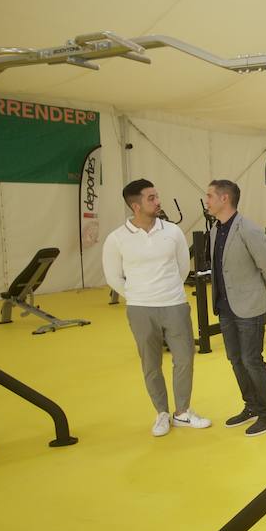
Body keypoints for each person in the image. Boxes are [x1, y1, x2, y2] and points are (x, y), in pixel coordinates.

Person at [102, 179, 209, 437]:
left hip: (174, 304)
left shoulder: (172, 232)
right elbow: (113, 277)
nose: (158, 201)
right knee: (151, 363)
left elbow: (183, 266)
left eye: (157, 196)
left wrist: (168, 290)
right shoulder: (116, 239)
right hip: (140, 309)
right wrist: (137, 295)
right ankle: (162, 412)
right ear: (135, 205)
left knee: (184, 358)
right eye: (152, 198)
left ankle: (182, 412)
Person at [206, 180, 266, 437]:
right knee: (236, 359)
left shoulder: (248, 229)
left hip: (249, 307)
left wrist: (262, 294)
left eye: (210, 196)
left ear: (224, 198)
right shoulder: (216, 230)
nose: (207, 200)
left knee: (251, 360)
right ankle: (251, 405)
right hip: (225, 307)